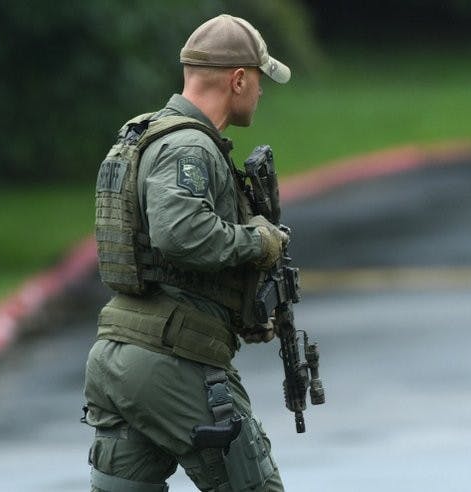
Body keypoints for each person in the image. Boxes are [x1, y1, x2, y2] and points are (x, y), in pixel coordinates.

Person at [82, 14, 291, 492]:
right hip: (172, 363)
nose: (260, 92)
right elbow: (181, 234)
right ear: (238, 79)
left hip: (121, 357)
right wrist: (258, 241)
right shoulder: (188, 147)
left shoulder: (149, 134)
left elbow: (168, 264)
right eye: (258, 80)